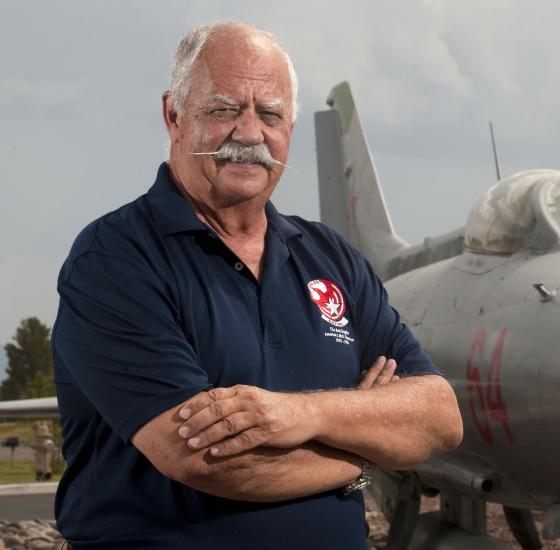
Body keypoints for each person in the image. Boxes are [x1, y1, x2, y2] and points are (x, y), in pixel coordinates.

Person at [52, 21, 463, 549]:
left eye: (270, 114)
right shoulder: (115, 260)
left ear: (289, 127)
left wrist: (301, 413)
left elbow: (440, 419)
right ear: (173, 116)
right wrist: (367, 448)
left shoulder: (332, 258)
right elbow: (208, 460)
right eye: (224, 110)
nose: (249, 135)